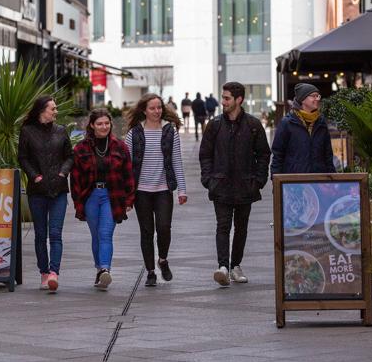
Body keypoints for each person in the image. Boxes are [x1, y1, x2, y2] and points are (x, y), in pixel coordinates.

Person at [199, 82, 271, 287]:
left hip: (245, 185)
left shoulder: (253, 125)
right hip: (220, 185)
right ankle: (222, 266)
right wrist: (208, 179)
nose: (223, 102)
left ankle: (235, 266)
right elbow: (205, 154)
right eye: (223, 98)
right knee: (223, 226)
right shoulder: (214, 125)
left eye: (227, 98)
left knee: (241, 228)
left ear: (239, 100)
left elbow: (264, 154)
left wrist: (259, 180)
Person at [124, 94, 188, 287]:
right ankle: (151, 271)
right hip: (141, 191)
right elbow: (126, 166)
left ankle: (163, 260)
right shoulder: (133, 134)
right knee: (146, 231)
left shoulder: (170, 131)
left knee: (163, 227)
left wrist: (182, 190)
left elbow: (177, 160)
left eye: (159, 107)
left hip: (163, 189)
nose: (157, 111)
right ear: (144, 110)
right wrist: (127, 195)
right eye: (152, 108)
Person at [71, 108, 136, 290]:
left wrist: (129, 200)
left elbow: (128, 174)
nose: (104, 126)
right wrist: (78, 202)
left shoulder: (120, 146)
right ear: (92, 125)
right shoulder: (81, 148)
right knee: (96, 236)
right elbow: (75, 178)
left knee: (105, 233)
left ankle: (105, 270)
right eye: (99, 123)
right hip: (91, 196)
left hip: (112, 195)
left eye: (107, 123)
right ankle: (99, 269)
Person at [18, 95, 73, 293]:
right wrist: (35, 176)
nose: (56, 112)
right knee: (40, 234)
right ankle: (43, 272)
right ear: (42, 110)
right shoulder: (27, 132)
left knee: (56, 234)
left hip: (58, 189)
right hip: (37, 191)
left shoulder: (61, 131)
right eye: (53, 109)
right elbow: (22, 158)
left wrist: (62, 173)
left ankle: (53, 273)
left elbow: (69, 156)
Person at [270, 83, 335, 177]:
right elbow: (278, 155)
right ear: (303, 99)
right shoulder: (287, 123)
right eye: (314, 96)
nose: (317, 99)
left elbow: (328, 155)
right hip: (294, 183)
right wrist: (276, 181)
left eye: (318, 96)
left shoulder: (321, 123)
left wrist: (332, 179)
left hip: (319, 182)